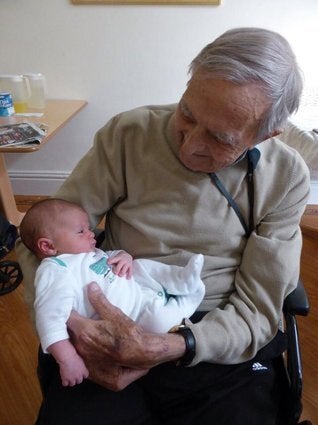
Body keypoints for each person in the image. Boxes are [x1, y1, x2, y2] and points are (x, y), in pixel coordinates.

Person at [16, 27, 310, 425]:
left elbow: (258, 310)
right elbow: (39, 240)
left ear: (265, 134)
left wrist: (177, 345)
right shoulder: (128, 134)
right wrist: (77, 328)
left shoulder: (286, 176)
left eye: (220, 138)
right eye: (187, 112)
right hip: (109, 318)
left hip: (215, 332)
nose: (189, 146)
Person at [19, 198, 205, 387]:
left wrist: (123, 256)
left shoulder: (87, 254)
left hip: (139, 290)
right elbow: (49, 318)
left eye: (88, 228)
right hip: (133, 319)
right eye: (81, 231)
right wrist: (68, 359)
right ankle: (189, 300)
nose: (91, 234)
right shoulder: (56, 269)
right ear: (48, 246)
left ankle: (182, 280)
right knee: (161, 322)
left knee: (141, 266)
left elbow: (110, 256)